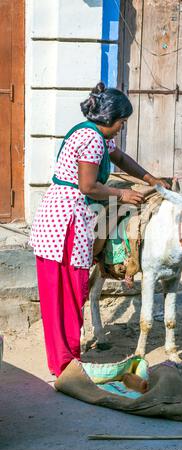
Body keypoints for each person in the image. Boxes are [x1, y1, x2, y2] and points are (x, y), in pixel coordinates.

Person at [29, 82, 170, 377]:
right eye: (121, 121)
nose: (122, 127)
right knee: (67, 291)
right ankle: (67, 365)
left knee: (66, 292)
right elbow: (88, 185)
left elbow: (120, 157)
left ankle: (64, 361)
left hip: (65, 216)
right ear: (109, 118)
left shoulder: (93, 133)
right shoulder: (92, 140)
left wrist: (151, 179)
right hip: (66, 221)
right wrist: (123, 195)